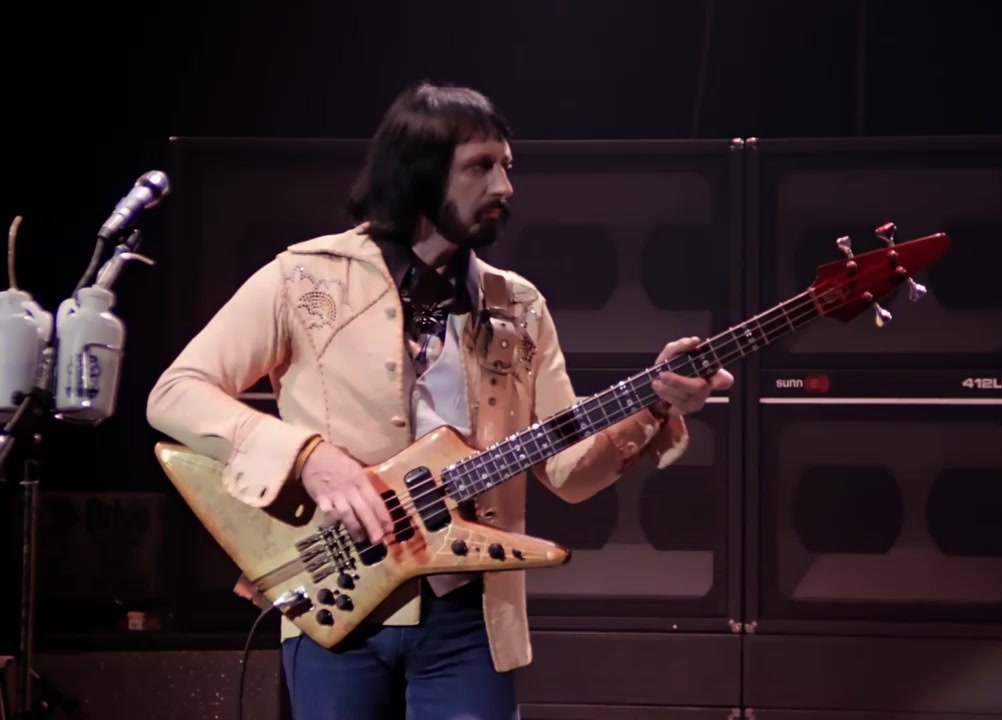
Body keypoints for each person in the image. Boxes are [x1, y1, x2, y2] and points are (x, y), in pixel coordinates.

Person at [145, 80, 733, 720]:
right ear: (419, 174)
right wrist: (308, 456)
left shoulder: (518, 306)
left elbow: (568, 472)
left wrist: (653, 406)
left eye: (507, 166)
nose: (505, 186)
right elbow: (175, 393)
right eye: (481, 167)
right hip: (334, 599)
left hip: (468, 619)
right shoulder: (305, 278)